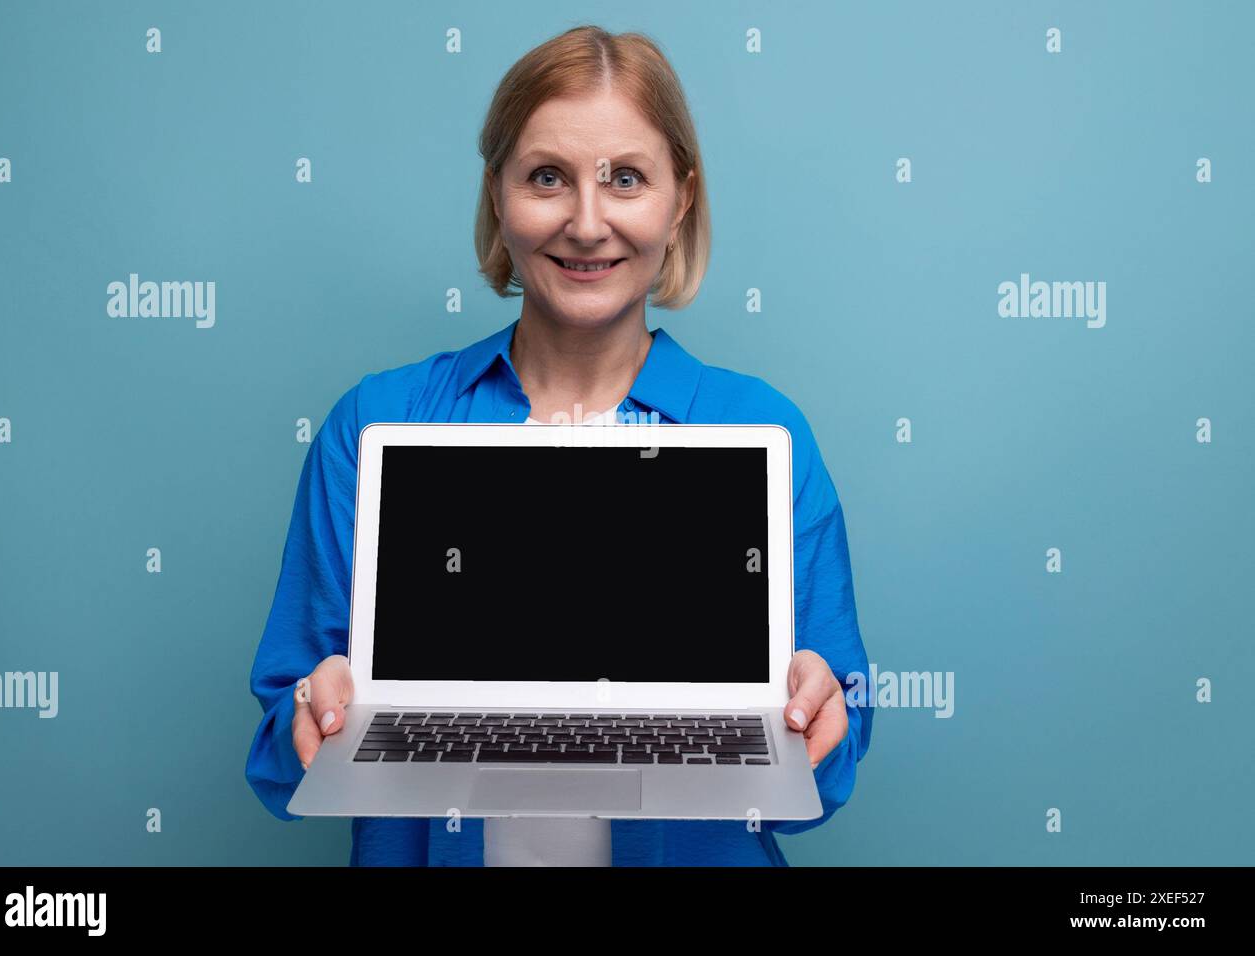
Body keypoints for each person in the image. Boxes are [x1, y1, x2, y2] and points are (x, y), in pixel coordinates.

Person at [246, 24, 872, 866]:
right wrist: (309, 718)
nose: (586, 222)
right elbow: (279, 764)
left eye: (626, 178)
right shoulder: (375, 425)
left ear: (680, 199)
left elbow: (826, 776)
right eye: (547, 177)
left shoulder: (763, 435)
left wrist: (820, 717)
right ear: (498, 197)